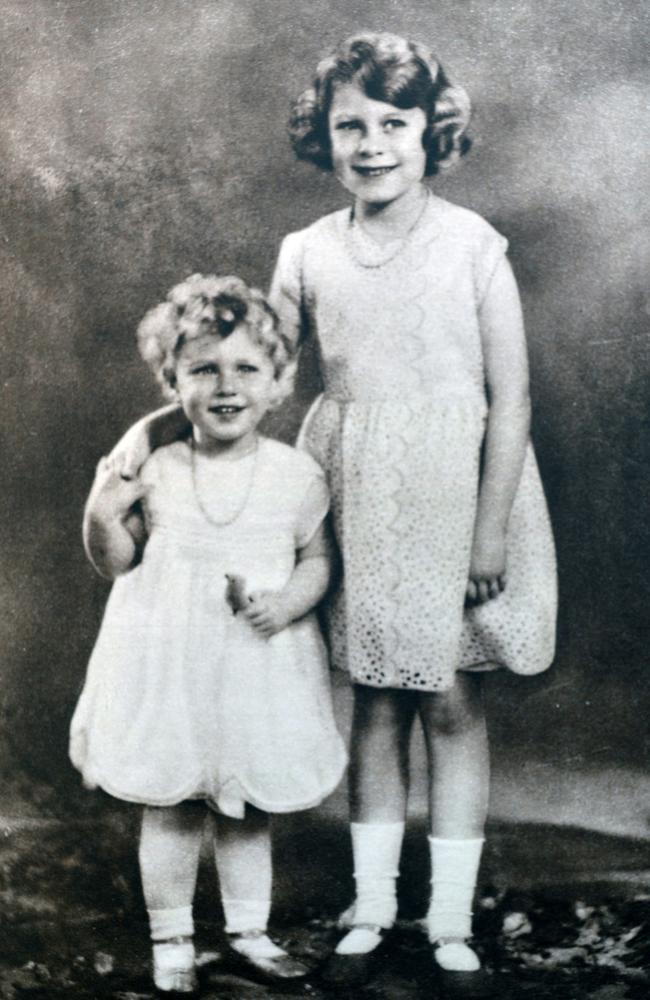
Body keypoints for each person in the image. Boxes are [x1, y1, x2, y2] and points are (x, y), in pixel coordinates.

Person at [268, 31, 557, 988]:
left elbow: (510, 399)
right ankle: (376, 898)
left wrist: (486, 530)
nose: (373, 143)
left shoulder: (473, 245)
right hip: (356, 493)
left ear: (432, 132)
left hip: (456, 494)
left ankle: (444, 912)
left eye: (394, 123)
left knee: (451, 701)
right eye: (351, 125)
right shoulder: (306, 251)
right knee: (376, 700)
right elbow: (259, 382)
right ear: (327, 137)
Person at [69, 274, 347, 993]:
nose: (228, 386)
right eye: (203, 369)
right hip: (169, 659)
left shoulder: (297, 475)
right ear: (173, 381)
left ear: (280, 380)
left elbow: (318, 561)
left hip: (257, 661)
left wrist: (288, 603)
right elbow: (116, 562)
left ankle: (249, 933)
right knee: (173, 801)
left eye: (248, 368)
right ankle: (172, 942)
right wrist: (102, 513)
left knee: (246, 805)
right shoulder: (156, 469)